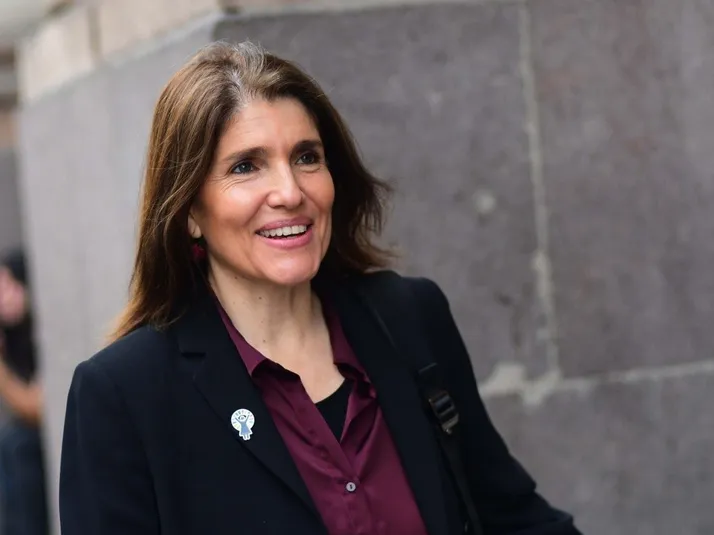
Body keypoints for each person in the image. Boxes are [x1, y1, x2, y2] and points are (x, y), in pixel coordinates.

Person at [59, 41, 582, 535]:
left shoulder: (408, 317)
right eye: (246, 166)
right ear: (190, 211)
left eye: (306, 157)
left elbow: (515, 518)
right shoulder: (124, 395)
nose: (290, 192)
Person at [0, 249, 49, 535]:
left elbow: (35, 409)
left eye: (10, 287)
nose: (3, 298)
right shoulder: (11, 336)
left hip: (50, 435)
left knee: (16, 444)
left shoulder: (42, 331)